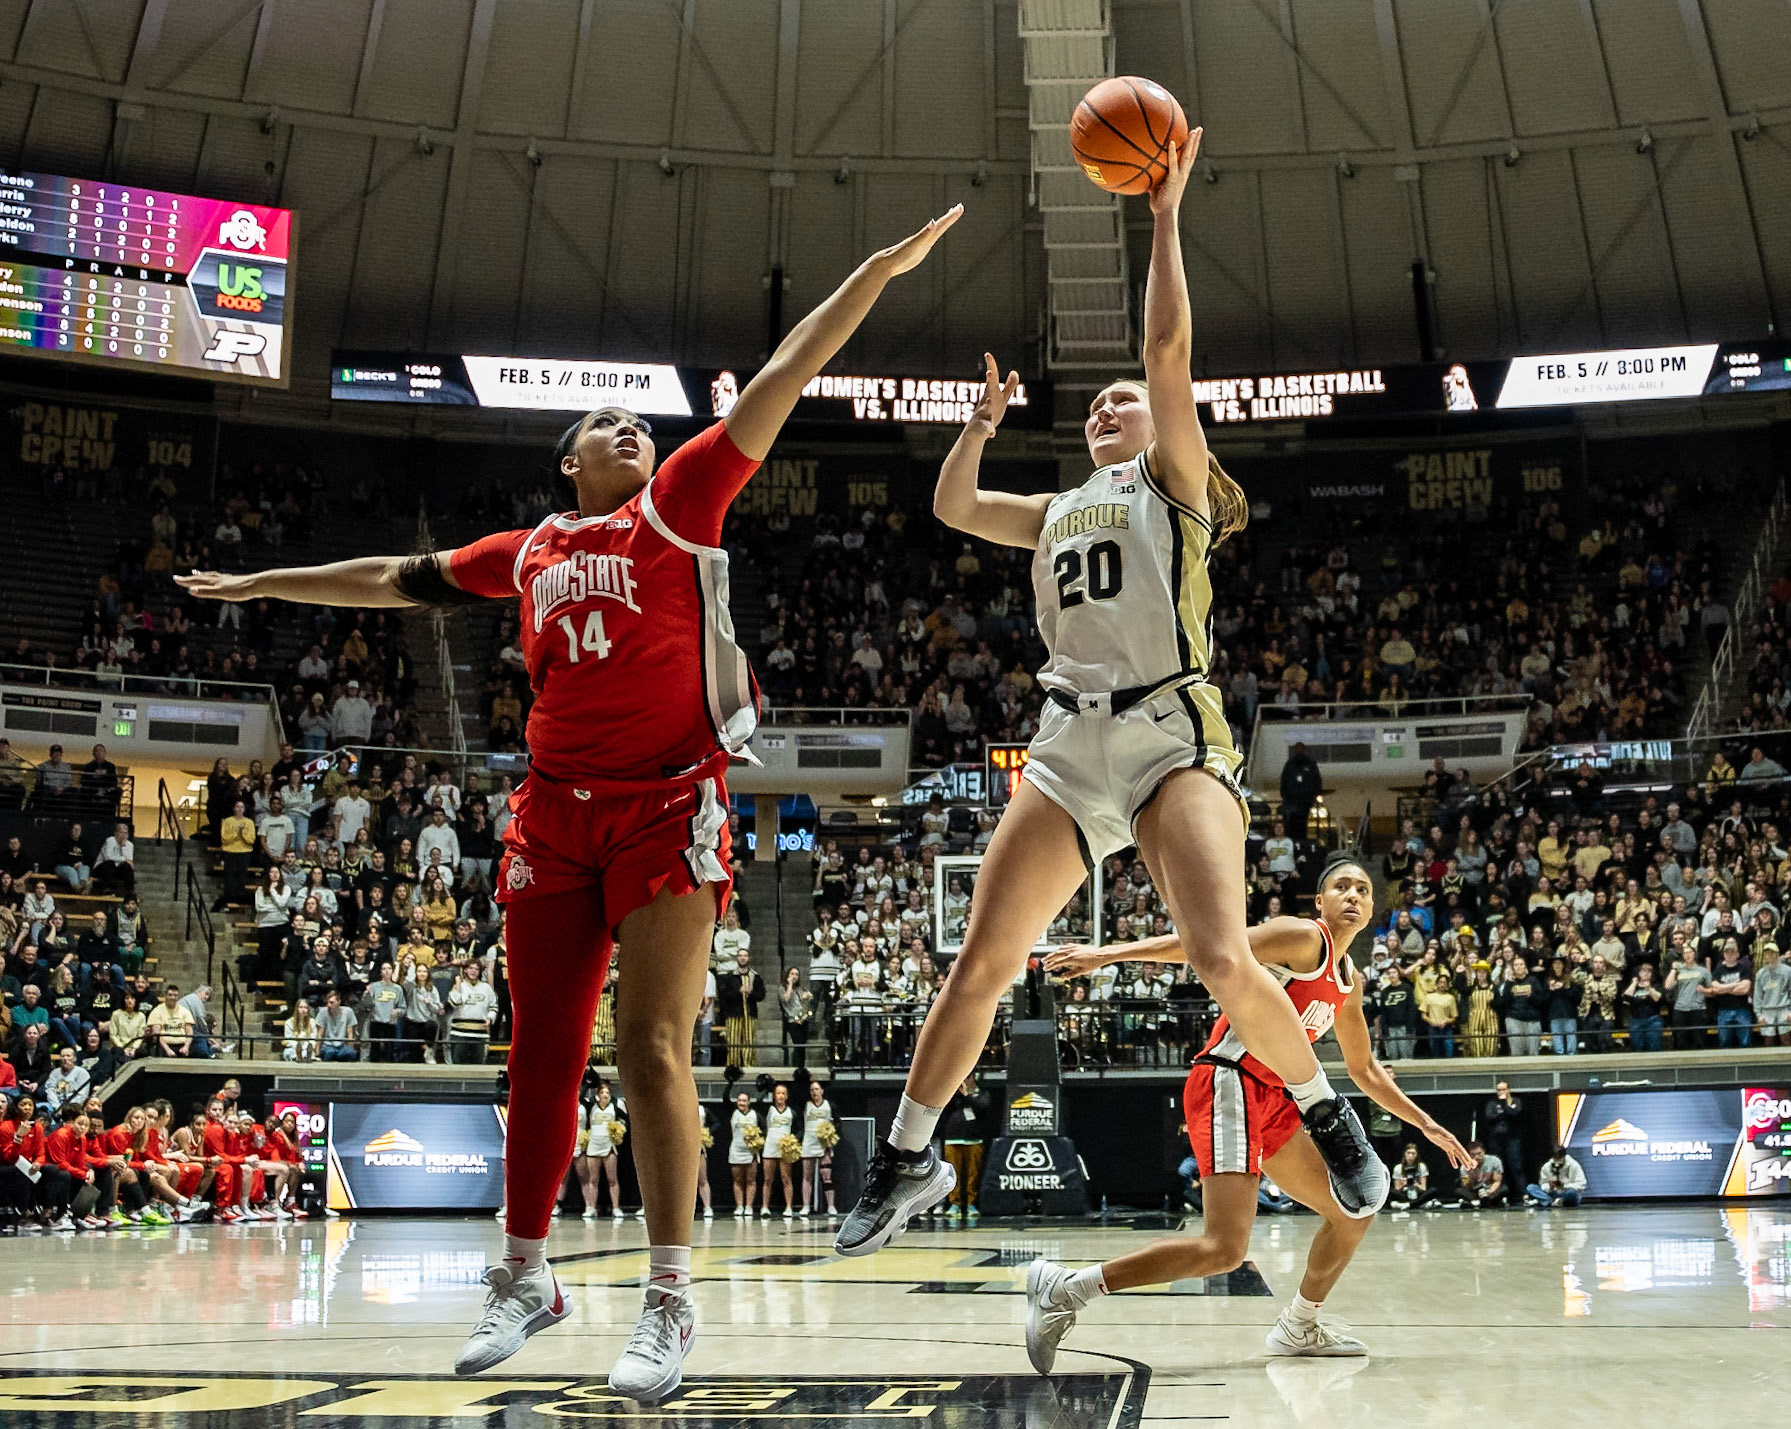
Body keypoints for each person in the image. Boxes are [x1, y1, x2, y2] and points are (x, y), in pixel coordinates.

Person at [178, 202, 965, 1399]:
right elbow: (394, 578)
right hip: (552, 809)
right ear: (567, 460)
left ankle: (668, 1301)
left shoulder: (684, 500)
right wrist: (265, 583)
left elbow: (790, 369)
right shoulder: (530, 548)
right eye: (607, 422)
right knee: (539, 1051)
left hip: (667, 803)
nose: (632, 428)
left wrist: (873, 270)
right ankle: (527, 1275)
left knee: (650, 1045)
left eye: (639, 421)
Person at [837, 135, 1382, 1261]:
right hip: (1068, 740)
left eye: (1126, 401)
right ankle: (907, 1155)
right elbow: (953, 508)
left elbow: (1167, 346)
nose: (1109, 406)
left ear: (1161, 426)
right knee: (983, 957)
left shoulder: (1172, 481)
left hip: (1170, 726)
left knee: (1221, 951)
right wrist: (981, 425)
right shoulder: (1053, 506)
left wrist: (1166, 216)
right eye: (1097, 405)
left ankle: (1330, 1118)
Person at [1029, 855, 1465, 1366]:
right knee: (1224, 1248)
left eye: (1364, 890)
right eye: (1341, 887)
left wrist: (1428, 1124)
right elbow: (1206, 949)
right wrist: (1107, 955)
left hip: (1276, 1099)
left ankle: (1300, 1325)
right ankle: (1066, 1288)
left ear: (1372, 909)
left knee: (1353, 1211)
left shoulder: (1351, 982)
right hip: (1228, 1078)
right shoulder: (1303, 938)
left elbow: (1365, 1070)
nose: (1353, 895)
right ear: (1319, 902)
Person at [939, 1074, 990, 1223]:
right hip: (952, 1139)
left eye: (967, 1078)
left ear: (974, 1078)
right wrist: (954, 1093)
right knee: (954, 1175)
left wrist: (967, 1095)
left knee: (973, 1174)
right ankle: (954, 1204)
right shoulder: (953, 1096)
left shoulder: (982, 1094)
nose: (964, 1081)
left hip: (973, 1139)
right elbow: (942, 1109)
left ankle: (971, 1204)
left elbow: (982, 1108)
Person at [581, 1080, 624, 1221]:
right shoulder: (591, 1106)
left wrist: (619, 1130)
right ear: (598, 1095)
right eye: (602, 1092)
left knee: (612, 1179)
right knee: (593, 1179)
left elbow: (626, 1119)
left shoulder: (615, 1107)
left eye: (607, 1092)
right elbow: (580, 1098)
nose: (605, 1094)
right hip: (593, 1145)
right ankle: (592, 1208)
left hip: (609, 1146)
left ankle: (616, 1207)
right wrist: (588, 1084)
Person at [1481, 1080, 1525, 1205]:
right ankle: (1501, 1195)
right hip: (1496, 1140)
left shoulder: (1516, 1101)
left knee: (1516, 1167)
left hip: (1512, 1139)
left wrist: (1504, 1105)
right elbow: (1490, 1117)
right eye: (1498, 1090)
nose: (1501, 1092)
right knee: (1499, 1168)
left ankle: (1523, 1195)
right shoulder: (1492, 1103)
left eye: (1503, 1089)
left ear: (1508, 1090)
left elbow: (1515, 1114)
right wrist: (1504, 1114)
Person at [798, 1080, 836, 1219]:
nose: (814, 1092)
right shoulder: (806, 1105)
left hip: (824, 1145)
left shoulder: (829, 1105)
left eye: (816, 1089)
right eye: (812, 1090)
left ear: (822, 1091)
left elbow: (836, 1124)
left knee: (827, 1176)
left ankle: (831, 1205)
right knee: (807, 1176)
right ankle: (806, 1206)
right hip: (808, 1143)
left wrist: (831, 1138)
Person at [760, 1083, 796, 1219]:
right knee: (768, 1178)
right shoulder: (769, 1109)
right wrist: (765, 1089)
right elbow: (759, 1100)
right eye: (778, 1093)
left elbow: (799, 1129)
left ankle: (788, 1207)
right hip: (770, 1146)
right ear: (774, 1096)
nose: (780, 1096)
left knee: (786, 1178)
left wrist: (792, 1141)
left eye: (783, 1093)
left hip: (785, 1148)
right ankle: (764, 1207)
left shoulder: (791, 1112)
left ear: (786, 1096)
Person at [727, 1091, 760, 1219]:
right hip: (736, 1150)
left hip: (750, 1152)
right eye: (739, 1100)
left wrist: (757, 1142)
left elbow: (764, 1129)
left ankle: (749, 1207)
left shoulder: (754, 1115)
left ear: (749, 1102)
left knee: (751, 1180)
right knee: (738, 1180)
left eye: (744, 1101)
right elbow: (725, 1097)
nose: (741, 1103)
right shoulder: (733, 1113)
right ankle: (739, 1206)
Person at [1388, 1143, 1434, 1210]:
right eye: (1408, 1153)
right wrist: (1403, 1184)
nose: (1410, 1156)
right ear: (1405, 1154)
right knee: (1390, 1191)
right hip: (1404, 1194)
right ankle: (1420, 1204)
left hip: (1417, 1193)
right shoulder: (1398, 1168)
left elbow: (1424, 1188)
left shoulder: (1422, 1167)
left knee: (1433, 1191)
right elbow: (1397, 1189)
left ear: (1417, 1155)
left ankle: (1409, 1205)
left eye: (1413, 1153)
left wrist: (1416, 1184)